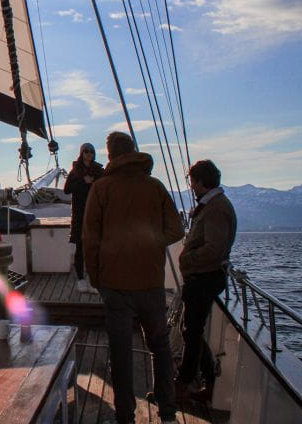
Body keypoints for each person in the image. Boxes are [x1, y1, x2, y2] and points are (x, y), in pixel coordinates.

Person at [84, 131, 185, 424]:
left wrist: (95, 277)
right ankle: (167, 412)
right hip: (151, 282)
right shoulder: (154, 187)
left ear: (111, 155)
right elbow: (176, 230)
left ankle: (125, 416)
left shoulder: (102, 189)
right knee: (160, 346)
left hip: (114, 284)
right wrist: (152, 242)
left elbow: (90, 239)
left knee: (121, 352)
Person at [176, 159, 237, 402]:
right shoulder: (213, 206)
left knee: (191, 332)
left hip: (204, 278)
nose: (191, 186)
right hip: (202, 277)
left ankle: (184, 385)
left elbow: (214, 248)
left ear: (200, 182)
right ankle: (208, 382)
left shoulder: (217, 208)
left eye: (192, 181)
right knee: (191, 330)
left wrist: (188, 259)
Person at [63, 142, 104, 293]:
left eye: (91, 151)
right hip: (80, 214)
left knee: (95, 248)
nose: (89, 154)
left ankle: (93, 281)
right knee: (80, 248)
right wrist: (83, 181)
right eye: (86, 151)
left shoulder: (99, 171)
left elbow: (105, 186)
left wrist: (94, 182)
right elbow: (67, 190)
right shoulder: (75, 172)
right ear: (81, 153)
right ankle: (81, 279)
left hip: (96, 213)